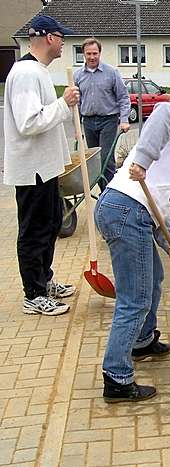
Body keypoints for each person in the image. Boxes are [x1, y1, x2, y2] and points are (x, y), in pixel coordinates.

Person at [95, 83, 170, 402]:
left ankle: (143, 341)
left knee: (152, 279)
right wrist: (141, 159)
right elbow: (166, 111)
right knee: (134, 299)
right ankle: (116, 377)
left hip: (123, 207)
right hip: (128, 211)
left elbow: (160, 202)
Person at [3, 15, 79, 316]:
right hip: (32, 169)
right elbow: (28, 121)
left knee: (49, 226)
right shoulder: (25, 74)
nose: (63, 43)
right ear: (49, 37)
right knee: (34, 231)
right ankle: (33, 294)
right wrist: (64, 104)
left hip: (45, 168)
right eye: (61, 38)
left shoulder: (38, 71)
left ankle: (44, 280)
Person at [74, 37, 131, 191]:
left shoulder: (111, 73)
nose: (92, 57)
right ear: (83, 55)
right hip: (88, 121)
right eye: (88, 54)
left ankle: (111, 194)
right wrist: (76, 126)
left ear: (100, 53)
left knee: (106, 159)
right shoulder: (78, 75)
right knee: (94, 161)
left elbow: (123, 97)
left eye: (95, 53)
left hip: (108, 120)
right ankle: (104, 192)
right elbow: (77, 103)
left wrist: (124, 119)